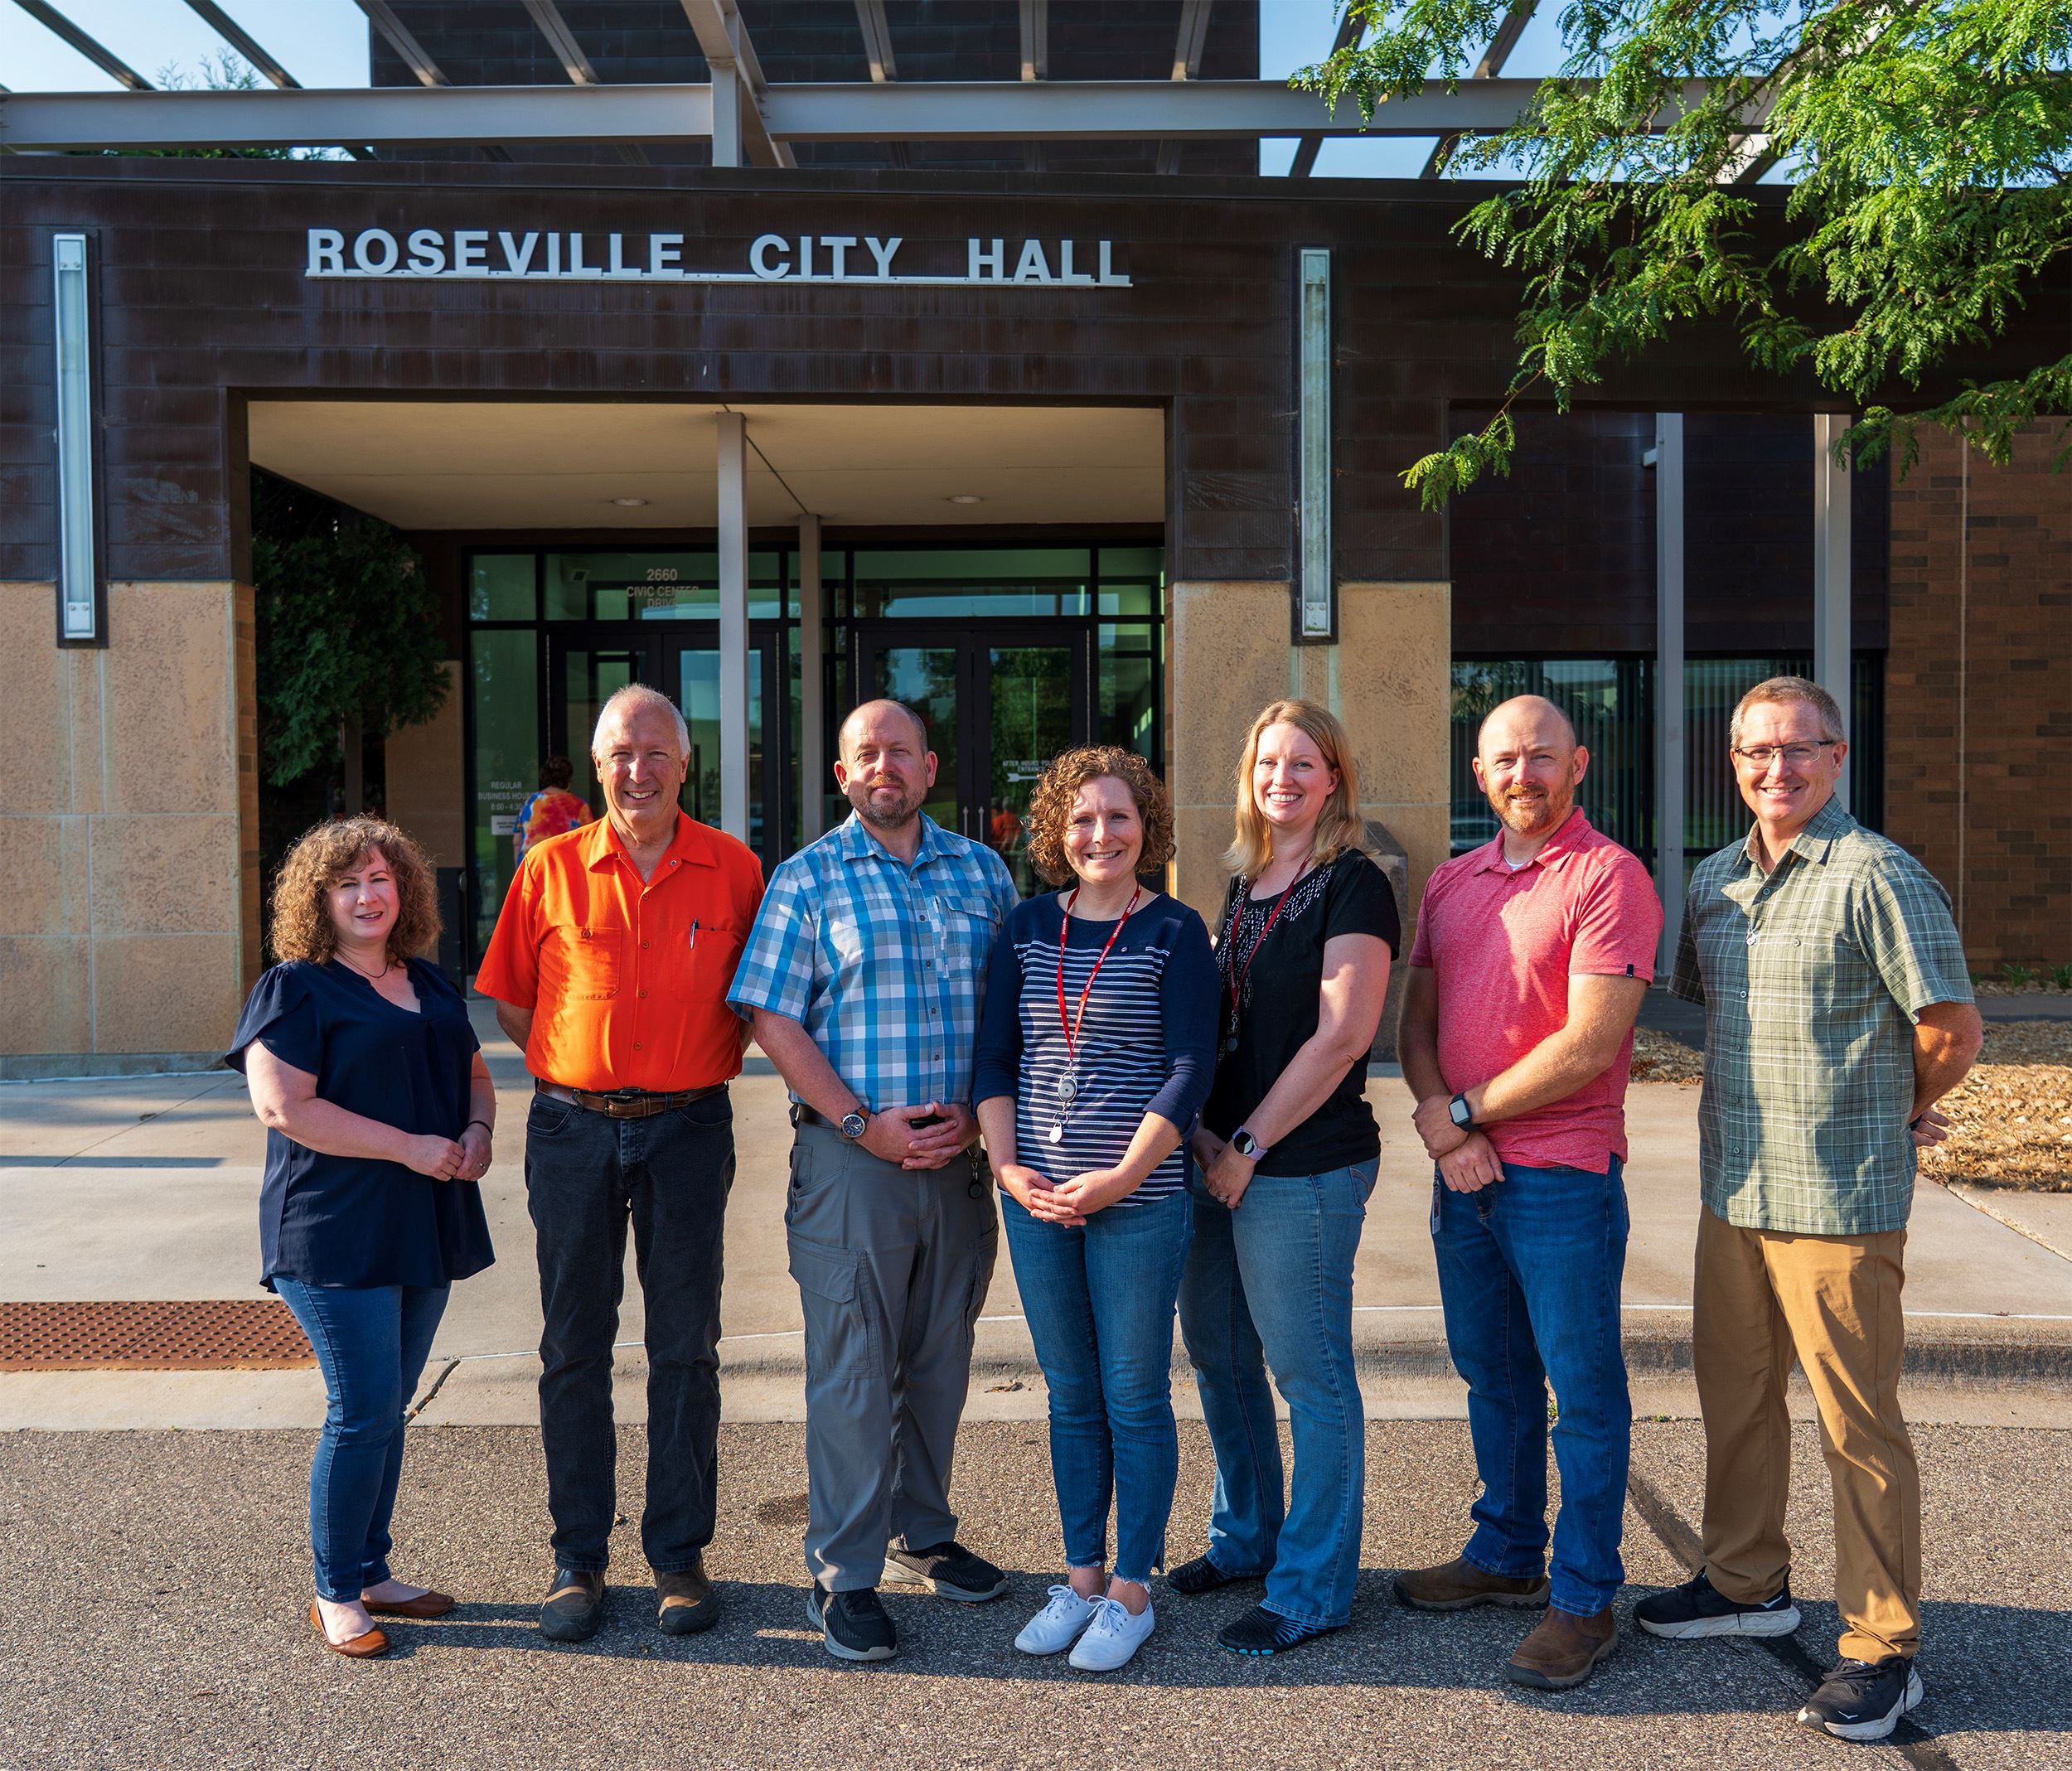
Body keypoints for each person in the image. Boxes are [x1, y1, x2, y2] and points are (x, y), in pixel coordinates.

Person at [1637, 676, 1982, 1743]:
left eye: (1797, 749)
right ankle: (1745, 1582)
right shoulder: (1713, 881)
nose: (1773, 769)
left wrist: (1896, 1108)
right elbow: (1707, 1010)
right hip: (1733, 1187)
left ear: (1836, 756)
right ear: (1731, 763)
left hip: (1838, 1196)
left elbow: (1951, 1027)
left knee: (1855, 1424)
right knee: (1733, 1397)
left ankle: (1883, 1648)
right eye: (1753, 752)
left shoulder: (1879, 874)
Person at [729, 699, 1019, 1664]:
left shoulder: (982, 872)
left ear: (930, 767)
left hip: (958, 1167)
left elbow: (1010, 1010)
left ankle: (921, 1531)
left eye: (900, 751)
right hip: (853, 1164)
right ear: (844, 775)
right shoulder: (806, 879)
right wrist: (865, 1124)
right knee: (854, 1375)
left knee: (938, 1364)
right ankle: (843, 1573)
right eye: (865, 754)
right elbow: (773, 1019)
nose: (883, 766)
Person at [474, 683, 763, 1643]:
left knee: (685, 1345)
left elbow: (757, 1004)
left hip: (688, 1129)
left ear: (686, 766)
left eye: (654, 753)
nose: (636, 770)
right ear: (597, 766)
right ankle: (577, 1560)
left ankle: (678, 1557)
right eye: (619, 754)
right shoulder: (548, 868)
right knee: (573, 1347)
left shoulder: (735, 870)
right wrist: (583, 1068)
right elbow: (515, 1004)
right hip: (572, 1130)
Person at [1396, 694, 1660, 1692]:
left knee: (1582, 1392)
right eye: (1504, 759)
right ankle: (1506, 1554)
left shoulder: (1609, 875)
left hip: (1561, 1172)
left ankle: (1583, 1597)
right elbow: (1413, 1020)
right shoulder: (1451, 882)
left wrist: (1460, 1114)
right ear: (1479, 773)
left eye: (1542, 757)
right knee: (1492, 1375)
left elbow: (1590, 1041)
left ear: (1578, 764)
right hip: (1462, 1176)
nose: (1524, 774)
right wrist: (1441, 1119)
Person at [972, 747, 1218, 1672]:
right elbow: (995, 1059)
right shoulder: (1028, 927)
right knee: (1071, 1396)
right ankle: (1078, 1581)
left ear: (1145, 827)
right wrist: (1005, 1165)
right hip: (1037, 1200)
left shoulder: (1174, 932)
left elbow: (1191, 1067)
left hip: (1139, 1199)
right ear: (1054, 832)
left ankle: (1130, 1590)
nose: (1100, 834)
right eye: (1081, 819)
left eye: (1118, 817)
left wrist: (1117, 1176)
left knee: (1132, 1394)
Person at [228, 817, 496, 1659]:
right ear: (320, 899)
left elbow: (475, 1073)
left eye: (380, 877)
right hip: (333, 1225)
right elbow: (283, 1107)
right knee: (362, 1408)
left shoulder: (427, 981)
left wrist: (480, 1130)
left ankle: (373, 1569)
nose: (368, 894)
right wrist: (411, 1144)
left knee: (390, 1406)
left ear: (404, 888)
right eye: (347, 883)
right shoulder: (295, 987)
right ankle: (336, 1588)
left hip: (424, 1219)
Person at [1174, 699, 1397, 1656]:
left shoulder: (1355, 883)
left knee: (1308, 1375)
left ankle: (1311, 1586)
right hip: (1217, 1161)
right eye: (1269, 762)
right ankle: (1247, 1538)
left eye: (1304, 762)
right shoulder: (1241, 883)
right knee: (1221, 1362)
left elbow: (1342, 1034)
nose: (1284, 778)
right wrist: (1200, 1140)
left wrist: (1248, 1148)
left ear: (1334, 776)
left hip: (1297, 1167)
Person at [514, 755, 592, 864]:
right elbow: (590, 842)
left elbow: (517, 842)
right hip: (565, 869)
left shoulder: (529, 803)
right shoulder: (579, 805)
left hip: (533, 866)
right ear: (568, 780)